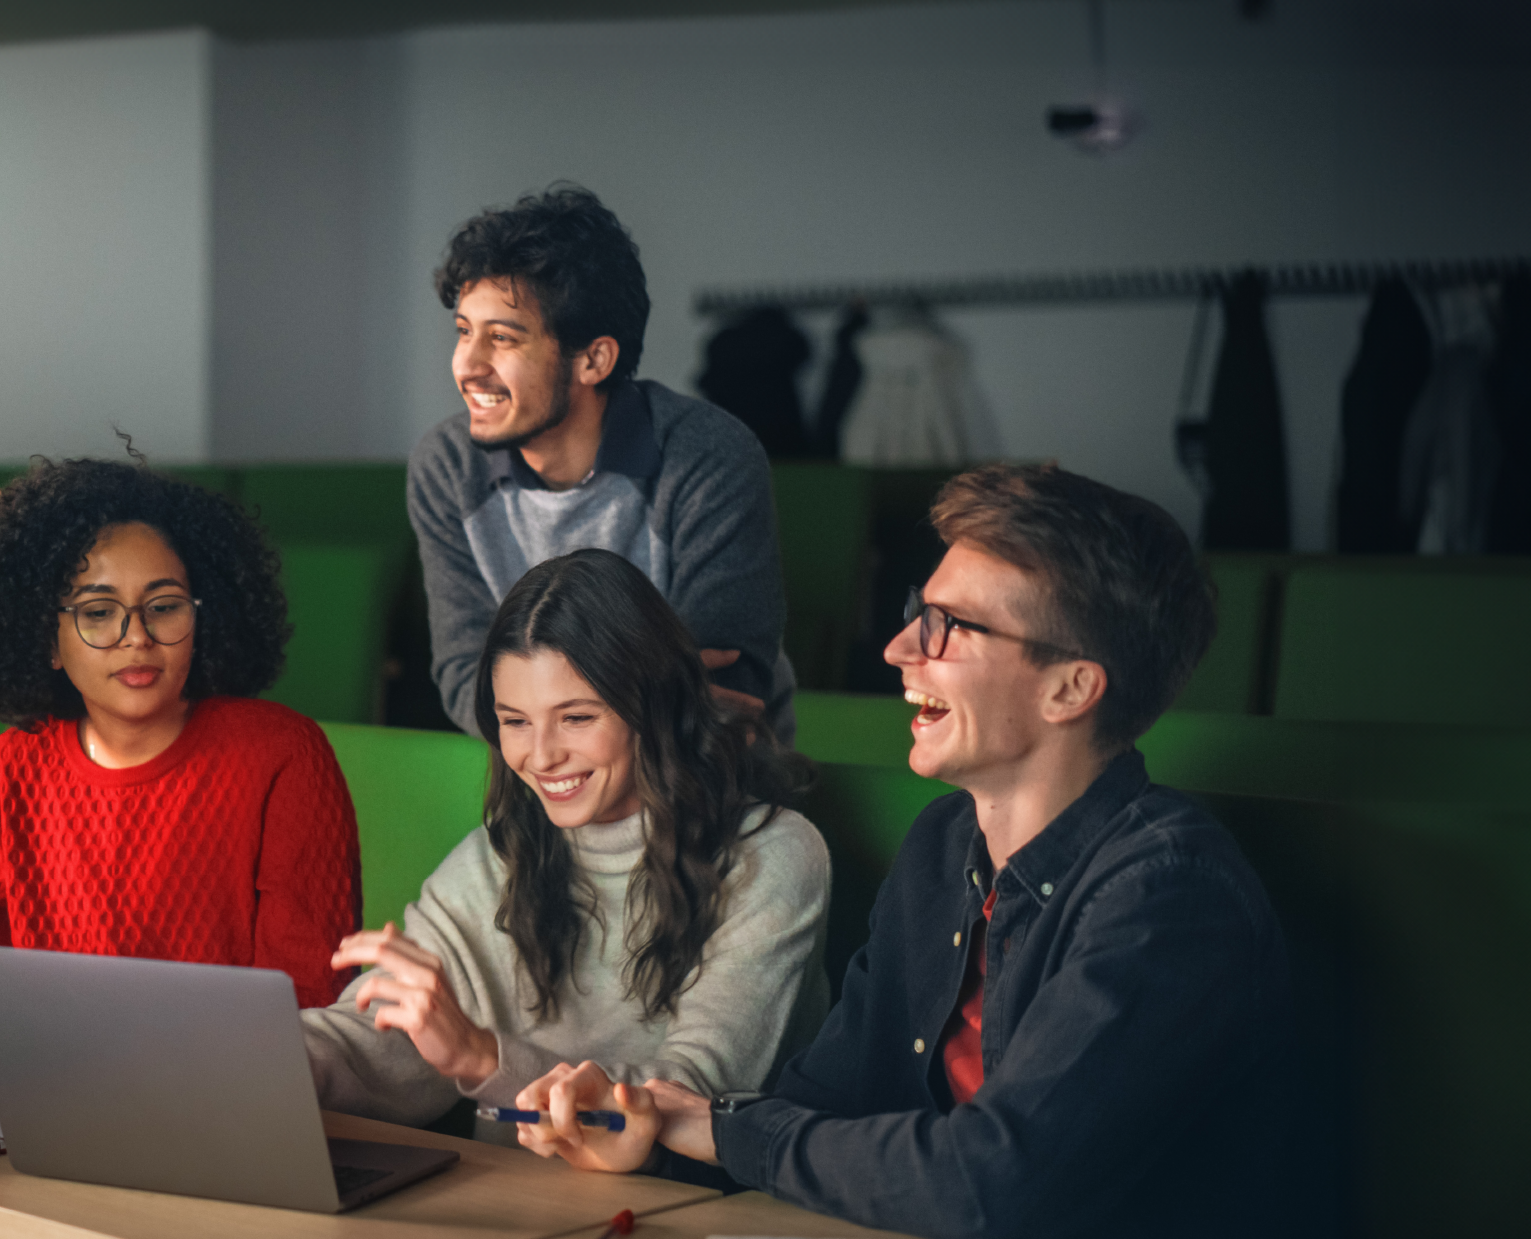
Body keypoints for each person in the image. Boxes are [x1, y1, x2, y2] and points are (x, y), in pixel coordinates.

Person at [513, 463, 1295, 1238]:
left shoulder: (1170, 898)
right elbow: (821, 1109)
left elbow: (991, 1183)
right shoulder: (943, 847)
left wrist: (719, 1132)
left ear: (1070, 689)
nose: (896, 648)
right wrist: (649, 1132)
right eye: (918, 613)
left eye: (948, 627)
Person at [304, 548, 829, 1145]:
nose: (541, 755)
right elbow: (372, 1045)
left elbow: (693, 1095)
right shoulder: (493, 859)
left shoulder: (774, 856)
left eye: (576, 718)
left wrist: (481, 1058)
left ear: (653, 707)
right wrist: (258, 1055)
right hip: (510, 1205)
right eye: (515, 721)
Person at [0, 458, 360, 1023]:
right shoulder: (12, 765)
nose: (136, 637)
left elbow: (309, 994)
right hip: (49, 1090)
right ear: (48, 641)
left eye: (163, 608)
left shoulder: (283, 754)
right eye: (98, 611)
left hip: (229, 1093)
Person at [408, 184, 795, 741]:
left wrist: (533, 700)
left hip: (711, 791)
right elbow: (464, 678)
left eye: (503, 339)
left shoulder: (708, 455)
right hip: (540, 788)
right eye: (464, 332)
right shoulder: (447, 468)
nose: (467, 365)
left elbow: (725, 689)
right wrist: (639, 688)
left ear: (594, 359)